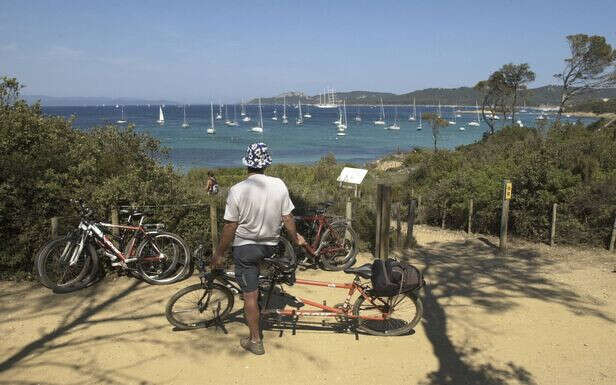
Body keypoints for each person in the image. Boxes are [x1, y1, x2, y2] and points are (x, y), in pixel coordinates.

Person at [212, 142, 305, 355]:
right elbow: (287, 218)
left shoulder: (237, 190)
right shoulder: (279, 185)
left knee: (250, 295)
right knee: (259, 274)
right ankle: (259, 292)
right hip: (270, 246)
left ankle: (255, 340)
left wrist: (219, 253)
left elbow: (230, 226)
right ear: (266, 165)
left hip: (245, 248)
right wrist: (295, 238)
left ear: (247, 165)